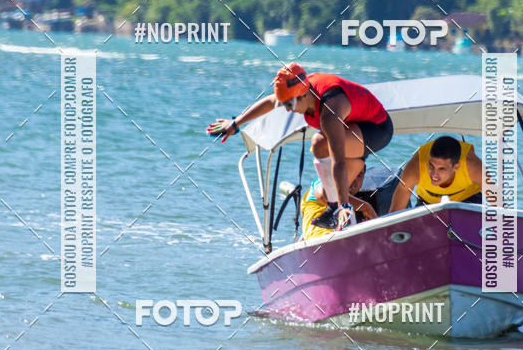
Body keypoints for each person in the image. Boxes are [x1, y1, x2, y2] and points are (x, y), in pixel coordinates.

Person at [207, 62, 393, 230]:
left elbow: (338, 162)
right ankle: (350, 210)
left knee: (319, 144)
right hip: (352, 130)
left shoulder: (329, 112)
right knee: (323, 194)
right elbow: (271, 102)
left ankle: (340, 211)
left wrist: (343, 205)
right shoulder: (298, 89)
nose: (287, 109)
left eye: (289, 104)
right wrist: (235, 124)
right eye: (285, 103)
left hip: (376, 130)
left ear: (304, 95)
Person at [390, 135, 484, 212]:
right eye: (431, 166)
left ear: (456, 167)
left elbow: (495, 199)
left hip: (468, 200)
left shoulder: (472, 166)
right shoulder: (416, 167)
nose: (434, 174)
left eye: (441, 169)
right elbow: (402, 195)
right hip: (427, 202)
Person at [301, 163, 376, 241]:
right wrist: (366, 207)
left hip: (342, 243)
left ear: (363, 178)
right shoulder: (324, 183)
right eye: (351, 172)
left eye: (359, 175)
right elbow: (322, 193)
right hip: (322, 240)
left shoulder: (353, 204)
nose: (354, 179)